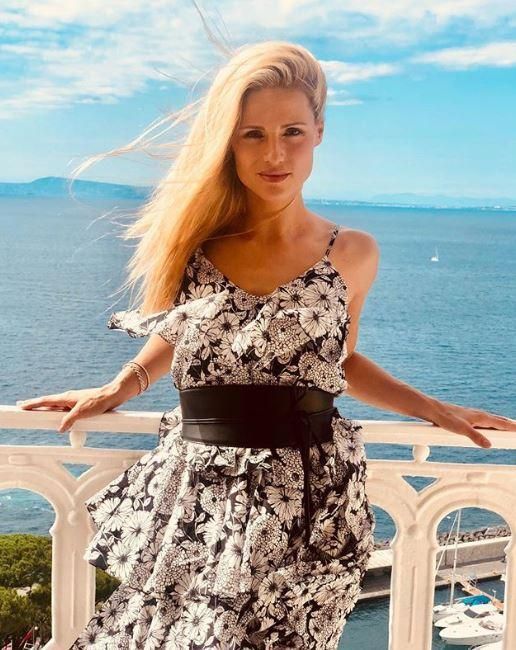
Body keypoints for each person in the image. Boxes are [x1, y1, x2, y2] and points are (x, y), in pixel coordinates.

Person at [18, 40, 515, 649]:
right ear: (228, 142)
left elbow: (339, 359)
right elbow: (181, 331)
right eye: (252, 134)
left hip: (309, 493)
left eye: (292, 132)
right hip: (202, 489)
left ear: (319, 132)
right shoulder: (193, 244)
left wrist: (433, 408)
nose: (274, 153)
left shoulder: (353, 252)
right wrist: (120, 386)